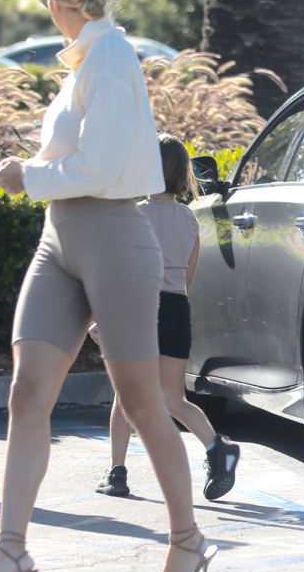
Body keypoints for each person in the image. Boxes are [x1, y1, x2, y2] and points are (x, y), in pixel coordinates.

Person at [0, 0, 216, 572]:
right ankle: (10, 549)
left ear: (59, 1)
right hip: (60, 241)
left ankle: (187, 540)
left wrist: (25, 176)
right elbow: (77, 157)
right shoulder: (83, 66)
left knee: (142, 406)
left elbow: (100, 168)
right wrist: (33, 169)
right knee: (26, 393)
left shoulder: (111, 57)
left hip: (114, 240)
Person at [93, 133, 241, 503]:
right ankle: (216, 448)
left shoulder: (134, 214)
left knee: (125, 396)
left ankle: (117, 473)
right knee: (174, 399)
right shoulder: (190, 219)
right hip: (176, 309)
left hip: (139, 309)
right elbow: (187, 278)